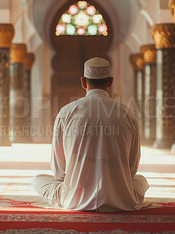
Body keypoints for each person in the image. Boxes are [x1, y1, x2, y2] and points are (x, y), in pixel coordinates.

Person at [32, 57, 149, 212]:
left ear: (83, 82)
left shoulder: (66, 112)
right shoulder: (127, 113)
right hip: (121, 198)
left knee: (37, 180)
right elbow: (132, 168)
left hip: (75, 197)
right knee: (141, 180)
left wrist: (71, 180)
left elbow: (59, 171)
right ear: (110, 82)